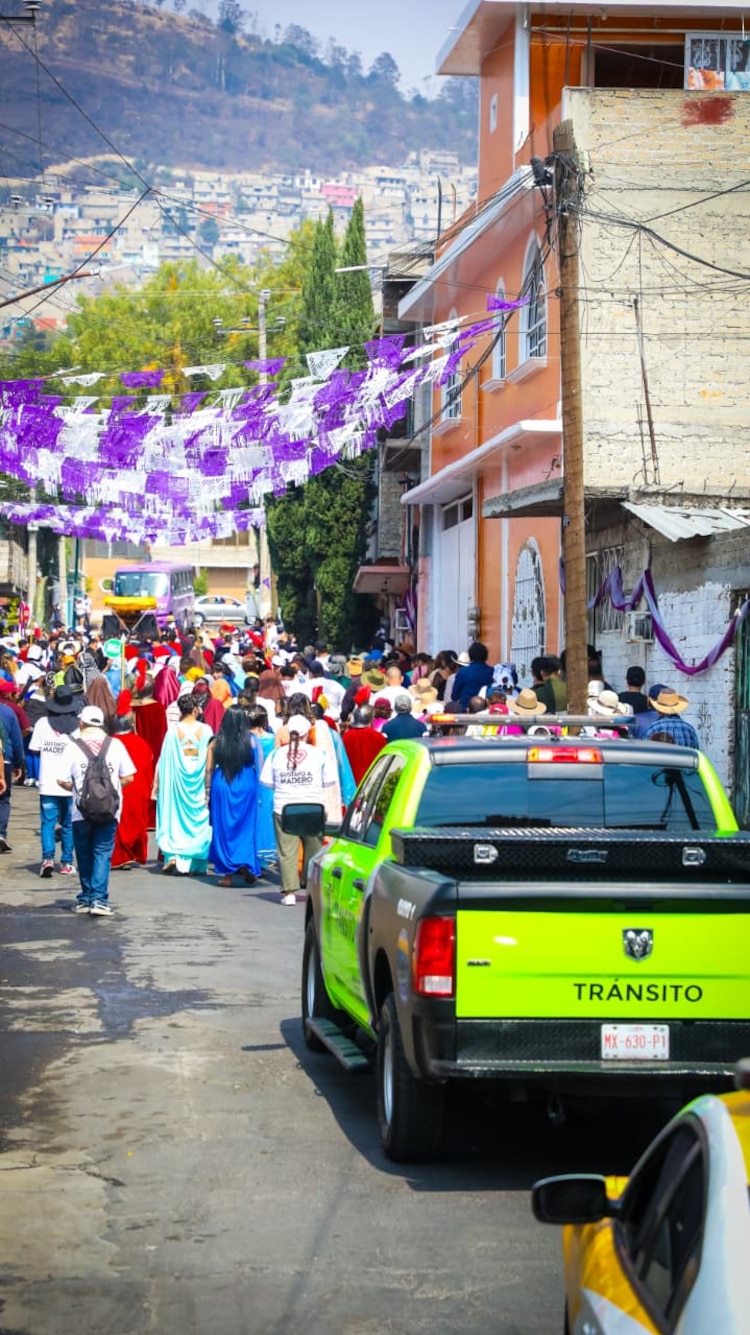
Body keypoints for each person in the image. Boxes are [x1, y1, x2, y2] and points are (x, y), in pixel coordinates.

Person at [59, 704, 136, 915]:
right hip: (110, 809)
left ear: (81, 722)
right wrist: (110, 789)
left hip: (80, 810)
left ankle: (85, 898)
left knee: (83, 854)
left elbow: (62, 780)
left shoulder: (72, 746)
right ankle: (99, 900)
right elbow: (129, 776)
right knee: (102, 853)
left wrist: (80, 788)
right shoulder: (116, 744)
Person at [260, 713, 336, 905]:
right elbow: (330, 780)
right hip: (313, 808)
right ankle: (310, 886)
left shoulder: (276, 754)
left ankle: (289, 893)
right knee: (315, 850)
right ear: (306, 733)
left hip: (284, 808)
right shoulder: (319, 754)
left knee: (287, 851)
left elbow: (266, 782)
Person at [154, 692, 213, 876]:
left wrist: (158, 785)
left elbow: (164, 762)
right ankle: (194, 861)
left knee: (175, 819)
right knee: (198, 820)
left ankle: (173, 856)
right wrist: (208, 788)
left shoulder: (172, 732)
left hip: (177, 785)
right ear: (195, 709)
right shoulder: (206, 730)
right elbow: (210, 761)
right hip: (198, 784)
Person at [28, 684, 79, 878]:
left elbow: (34, 749)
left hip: (48, 781)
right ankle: (66, 862)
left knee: (48, 823)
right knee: (68, 824)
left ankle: (47, 859)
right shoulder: (77, 725)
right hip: (69, 783)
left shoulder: (42, 723)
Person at [207, 709, 261, 887]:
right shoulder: (252, 741)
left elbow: (208, 769)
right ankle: (246, 863)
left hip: (222, 783)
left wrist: (206, 791)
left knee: (223, 828)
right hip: (246, 783)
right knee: (246, 827)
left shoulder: (215, 742)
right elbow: (259, 766)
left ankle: (227, 875)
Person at [110, 694, 155, 870]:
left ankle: (121, 855)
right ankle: (127, 855)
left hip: (120, 788)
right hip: (135, 790)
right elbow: (148, 770)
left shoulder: (110, 743)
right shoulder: (141, 743)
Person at [342, 705, 387, 785]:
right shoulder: (378, 737)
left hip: (351, 781)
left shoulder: (346, 737)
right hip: (372, 781)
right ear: (370, 720)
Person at [451, 642, 494, 710]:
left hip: (466, 710)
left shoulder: (463, 672)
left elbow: (454, 696)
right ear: (485, 656)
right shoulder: (492, 671)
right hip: (486, 710)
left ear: (470, 656)